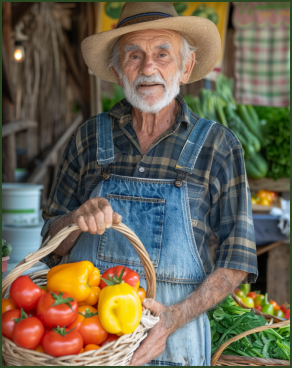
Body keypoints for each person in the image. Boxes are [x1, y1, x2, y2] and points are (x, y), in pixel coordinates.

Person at [40, 2, 258, 366]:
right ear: (115, 69)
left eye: (162, 54)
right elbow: (49, 245)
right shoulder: (89, 138)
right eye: (134, 55)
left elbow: (237, 260)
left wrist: (172, 318)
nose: (148, 68)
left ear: (186, 67)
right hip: (89, 342)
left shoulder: (218, 146)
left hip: (178, 338)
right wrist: (75, 221)